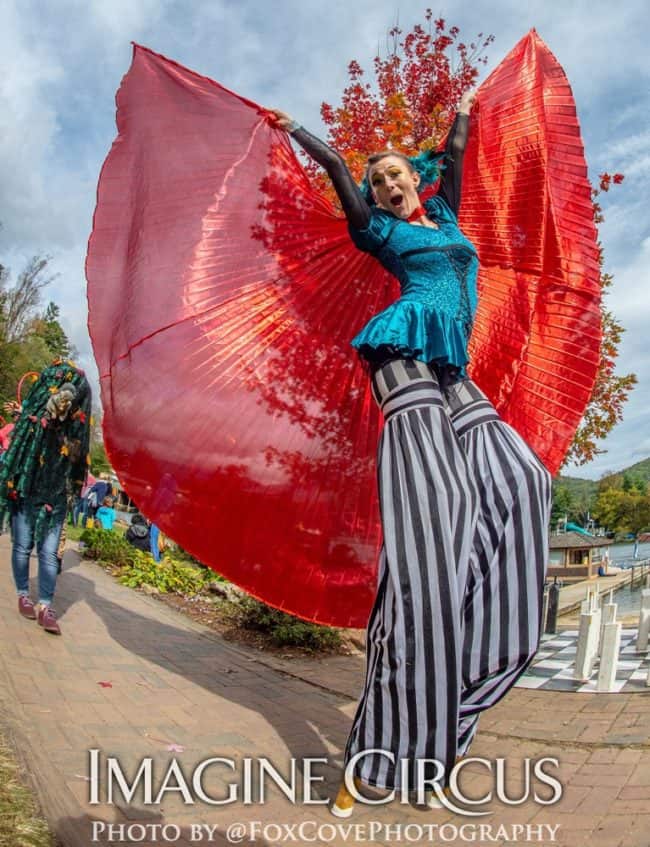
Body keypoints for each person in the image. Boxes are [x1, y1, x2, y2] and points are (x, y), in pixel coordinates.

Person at [270, 94, 551, 813]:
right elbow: (336, 165)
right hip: (402, 354)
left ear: (412, 177)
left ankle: (440, 733)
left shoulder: (448, 216)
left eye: (397, 174)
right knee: (436, 533)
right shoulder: (382, 233)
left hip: (452, 368)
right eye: (380, 183)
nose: (391, 185)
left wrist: (469, 107)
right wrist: (293, 129)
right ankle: (376, 756)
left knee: (520, 481)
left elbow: (455, 153)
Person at [0, 361, 92, 635]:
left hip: (55, 492)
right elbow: (20, 445)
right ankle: (22, 594)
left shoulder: (76, 427)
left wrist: (64, 425)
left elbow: (75, 459)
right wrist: (43, 417)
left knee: (49, 553)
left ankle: (45, 606)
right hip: (27, 487)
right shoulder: (33, 417)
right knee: (23, 546)